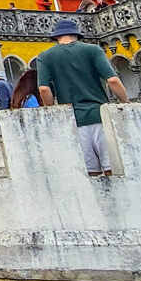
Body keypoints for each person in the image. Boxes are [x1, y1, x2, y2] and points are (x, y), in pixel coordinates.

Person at [36, 19, 130, 176]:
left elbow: (44, 89)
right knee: (113, 170)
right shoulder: (92, 50)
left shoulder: (45, 56)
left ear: (56, 37)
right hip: (101, 116)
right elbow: (112, 80)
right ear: (77, 34)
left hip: (74, 121)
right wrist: (126, 102)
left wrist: (53, 110)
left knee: (91, 174)